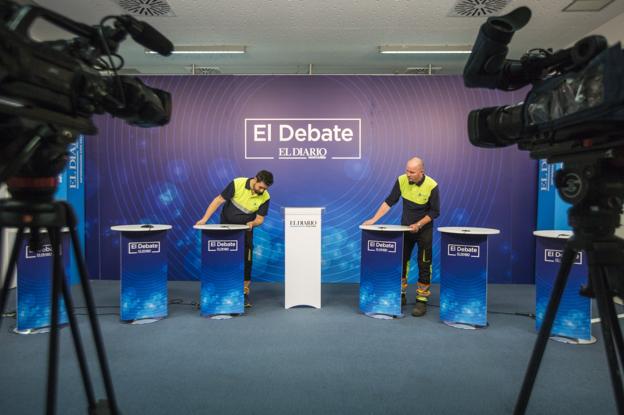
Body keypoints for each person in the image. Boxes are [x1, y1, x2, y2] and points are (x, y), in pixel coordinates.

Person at [362, 157, 439, 317]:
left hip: (423, 230)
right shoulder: (401, 180)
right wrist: (374, 219)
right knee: (401, 262)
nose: (408, 174)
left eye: (412, 172)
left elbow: (434, 212)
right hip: (405, 229)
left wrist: (418, 224)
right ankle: (401, 295)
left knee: (424, 263)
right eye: (407, 170)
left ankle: (421, 300)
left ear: (421, 172)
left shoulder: (432, 185)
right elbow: (390, 201)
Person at [196, 170, 274, 308]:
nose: (262, 190)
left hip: (245, 230)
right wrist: (204, 219)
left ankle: (244, 294)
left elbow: (260, 219)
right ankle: (220, 290)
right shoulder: (237, 183)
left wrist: (253, 223)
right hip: (226, 228)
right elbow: (219, 200)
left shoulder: (265, 197)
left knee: (247, 260)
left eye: (265, 188)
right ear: (255, 179)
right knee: (223, 258)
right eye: (260, 187)